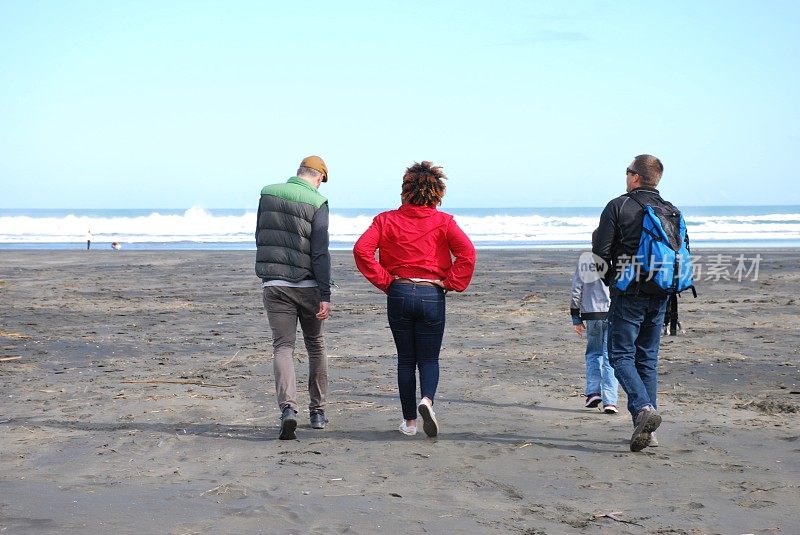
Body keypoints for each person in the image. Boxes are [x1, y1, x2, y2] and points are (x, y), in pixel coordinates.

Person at [353, 161, 476, 438]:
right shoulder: (444, 222)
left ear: (405, 191)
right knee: (429, 358)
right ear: (437, 194)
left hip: (399, 292)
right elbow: (467, 254)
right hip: (431, 294)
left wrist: (387, 282)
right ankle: (427, 401)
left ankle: (409, 422)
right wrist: (450, 283)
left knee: (406, 360)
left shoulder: (385, 220)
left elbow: (361, 250)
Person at [592, 154, 685, 451]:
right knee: (647, 358)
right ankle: (647, 429)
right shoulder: (670, 210)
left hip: (629, 292)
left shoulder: (618, 206)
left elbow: (600, 254)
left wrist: (612, 284)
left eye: (627, 171)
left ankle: (644, 409)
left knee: (619, 355)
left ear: (635, 177)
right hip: (661, 294)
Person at [255, 155, 332, 440]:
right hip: (308, 285)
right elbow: (320, 251)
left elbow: (260, 236)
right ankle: (318, 412)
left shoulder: (268, 193)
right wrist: (325, 293)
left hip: (274, 283)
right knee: (315, 345)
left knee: (283, 347)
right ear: (319, 177)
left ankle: (288, 409)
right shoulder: (317, 202)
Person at [570, 253, 618, 414]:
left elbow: (577, 289)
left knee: (593, 353)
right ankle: (610, 400)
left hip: (592, 314)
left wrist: (575, 316)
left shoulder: (585, 261)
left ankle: (593, 392)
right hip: (614, 313)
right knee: (609, 356)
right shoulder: (619, 257)